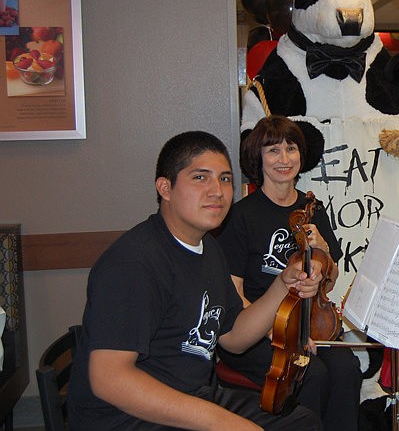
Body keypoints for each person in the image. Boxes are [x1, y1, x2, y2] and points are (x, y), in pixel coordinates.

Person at [67, 131, 322, 430]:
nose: (217, 191)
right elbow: (109, 379)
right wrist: (223, 423)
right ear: (165, 188)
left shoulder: (208, 248)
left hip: (191, 394)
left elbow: (234, 338)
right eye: (200, 178)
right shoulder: (133, 263)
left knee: (301, 422)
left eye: (225, 179)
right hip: (125, 418)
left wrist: (282, 285)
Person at [217, 115, 362, 431]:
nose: (284, 159)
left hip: (307, 325)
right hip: (258, 330)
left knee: (347, 369)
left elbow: (330, 280)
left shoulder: (312, 208)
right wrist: (276, 333)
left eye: (291, 149)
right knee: (311, 375)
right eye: (273, 151)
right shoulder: (239, 217)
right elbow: (233, 294)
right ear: (258, 158)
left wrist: (323, 248)